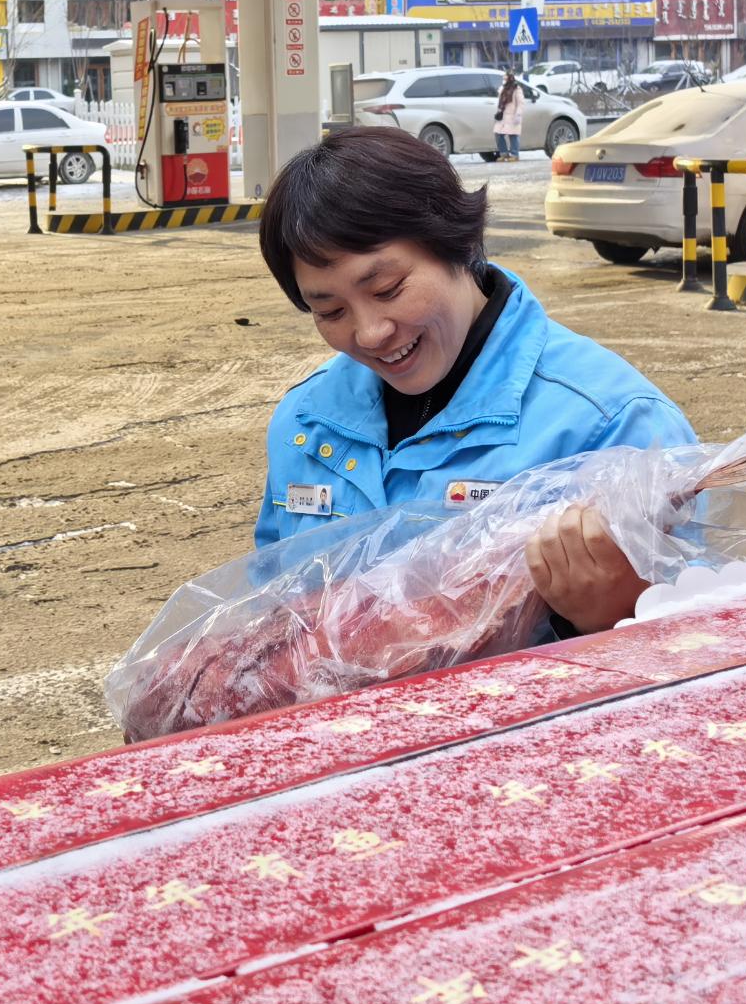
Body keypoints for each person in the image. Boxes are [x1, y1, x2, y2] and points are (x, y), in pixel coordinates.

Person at [255, 125, 694, 633]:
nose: (371, 333)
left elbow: (700, 646)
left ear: (458, 245)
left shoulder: (615, 425)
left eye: (388, 289)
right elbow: (272, 617)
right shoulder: (305, 426)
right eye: (330, 311)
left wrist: (611, 618)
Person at [493, 70, 525, 160]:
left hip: (513, 115)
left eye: (505, 77)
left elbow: (520, 103)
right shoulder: (503, 88)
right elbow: (500, 102)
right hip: (502, 115)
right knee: (498, 134)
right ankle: (504, 153)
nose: (504, 79)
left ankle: (514, 155)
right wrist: (499, 111)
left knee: (513, 135)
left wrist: (518, 115)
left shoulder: (516, 89)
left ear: (510, 78)